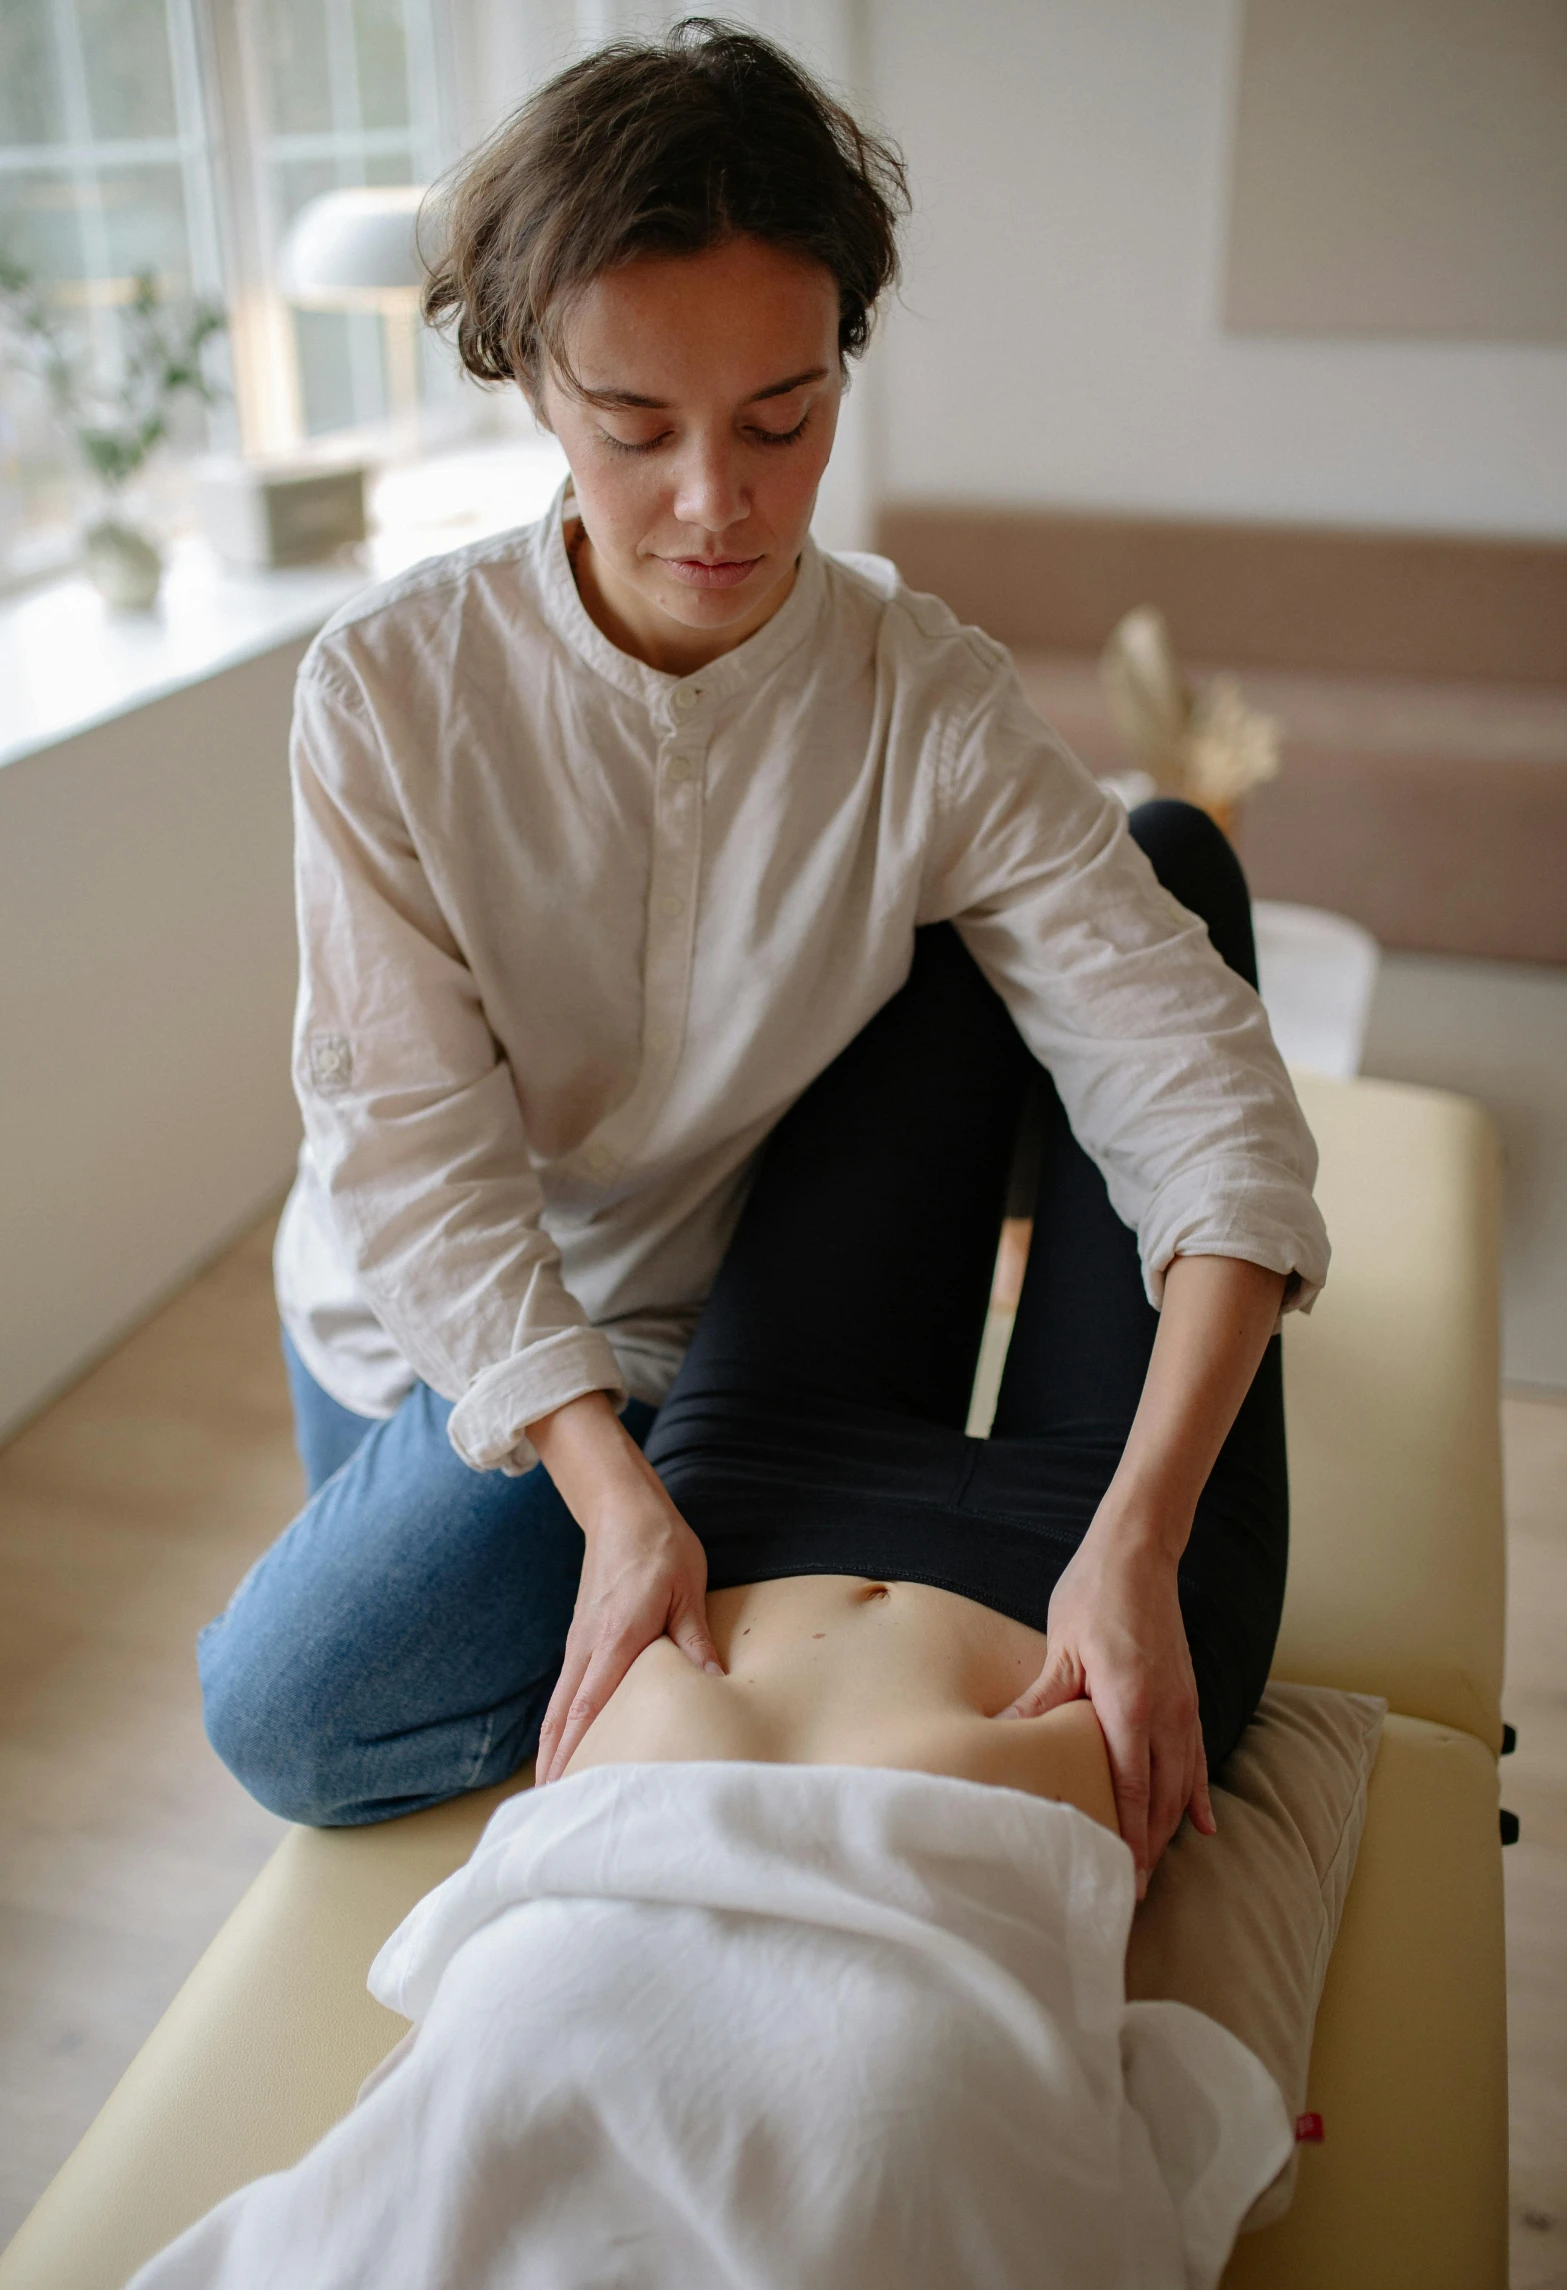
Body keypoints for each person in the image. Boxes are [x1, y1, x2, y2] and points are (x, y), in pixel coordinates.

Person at [198, 19, 1328, 1901]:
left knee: (344, 1695)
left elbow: (1195, 1077)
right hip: (443, 1314)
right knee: (297, 1716)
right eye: (635, 431)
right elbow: (411, 1142)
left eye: (781, 420)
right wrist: (605, 1497)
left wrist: (1137, 1530)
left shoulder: (922, 703)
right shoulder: (389, 694)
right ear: (534, 383)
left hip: (719, 1338)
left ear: (839, 371)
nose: (715, 503)